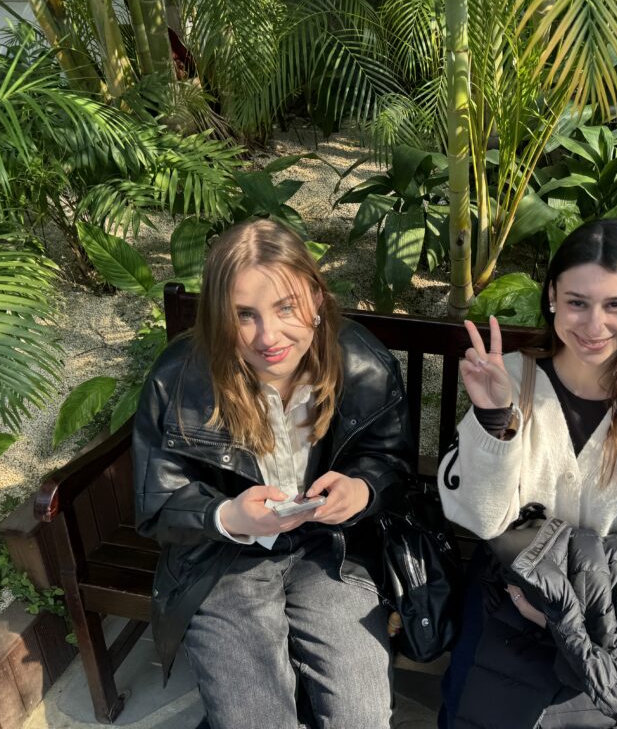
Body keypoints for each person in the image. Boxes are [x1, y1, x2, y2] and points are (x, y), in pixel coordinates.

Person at [133, 219, 415, 729]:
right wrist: (228, 516)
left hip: (332, 551)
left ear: (316, 296)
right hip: (222, 560)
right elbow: (158, 503)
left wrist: (362, 489)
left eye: (286, 307)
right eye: (245, 315)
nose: (269, 337)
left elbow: (391, 462)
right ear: (219, 316)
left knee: (362, 716)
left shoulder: (363, 363)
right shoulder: (178, 378)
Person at [437, 220, 617, 728]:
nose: (594, 325)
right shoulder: (512, 380)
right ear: (551, 297)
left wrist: (578, 625)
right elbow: (481, 517)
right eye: (577, 302)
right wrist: (495, 420)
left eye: (616, 305)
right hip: (514, 592)